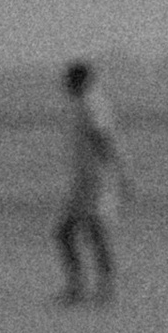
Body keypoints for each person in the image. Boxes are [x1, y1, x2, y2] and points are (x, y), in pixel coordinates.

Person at [54, 59, 126, 303]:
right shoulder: (84, 103)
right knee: (76, 233)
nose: (65, 85)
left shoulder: (91, 104)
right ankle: (84, 287)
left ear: (80, 81)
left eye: (69, 80)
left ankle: (97, 288)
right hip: (86, 179)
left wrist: (119, 174)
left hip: (94, 181)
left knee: (84, 232)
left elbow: (102, 139)